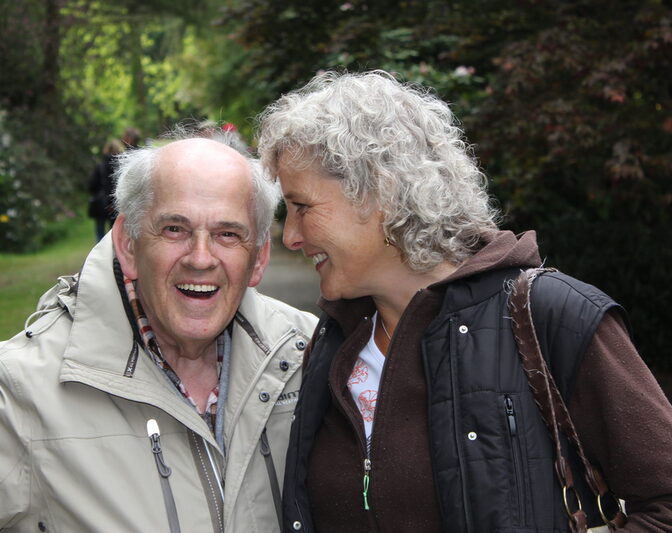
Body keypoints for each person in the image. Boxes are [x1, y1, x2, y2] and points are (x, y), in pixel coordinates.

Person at [256, 70, 672, 532]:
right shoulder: (335, 340)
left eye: (303, 207)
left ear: (380, 192)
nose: (291, 237)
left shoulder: (552, 317)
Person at [0, 136, 318, 532]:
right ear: (128, 243)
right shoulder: (29, 386)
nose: (200, 258)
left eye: (228, 234)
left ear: (259, 258)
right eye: (174, 229)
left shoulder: (307, 355)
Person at [88, 138, 122, 241]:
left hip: (101, 203)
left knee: (100, 231)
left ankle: (101, 249)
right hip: (116, 203)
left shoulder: (100, 166)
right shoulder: (121, 166)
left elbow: (92, 185)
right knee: (115, 232)